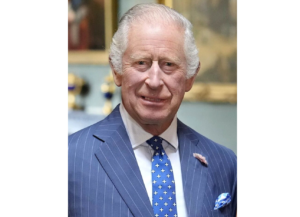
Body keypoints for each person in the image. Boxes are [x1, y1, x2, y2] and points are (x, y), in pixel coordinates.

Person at [68, 3, 237, 217]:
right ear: (117, 71)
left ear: (190, 77)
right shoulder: (70, 159)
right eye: (141, 63)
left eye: (169, 64)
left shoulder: (224, 163)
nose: (155, 81)